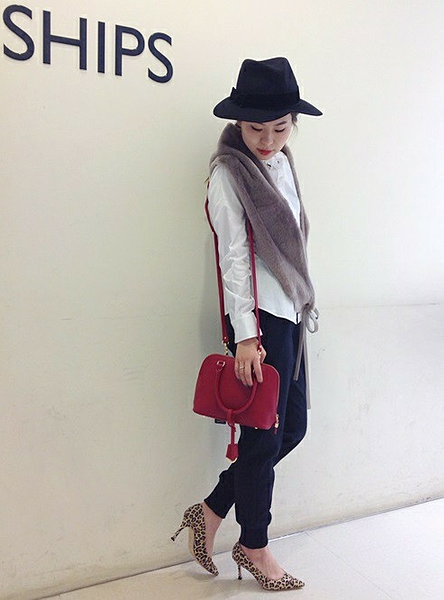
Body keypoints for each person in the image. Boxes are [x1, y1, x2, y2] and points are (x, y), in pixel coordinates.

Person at [172, 57, 321, 591]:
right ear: (237, 122)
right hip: (260, 324)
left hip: (291, 313)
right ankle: (254, 544)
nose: (267, 140)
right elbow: (233, 258)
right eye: (256, 128)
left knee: (291, 428)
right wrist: (246, 336)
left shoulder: (283, 163)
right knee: (262, 440)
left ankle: (211, 510)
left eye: (280, 128)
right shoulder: (228, 173)